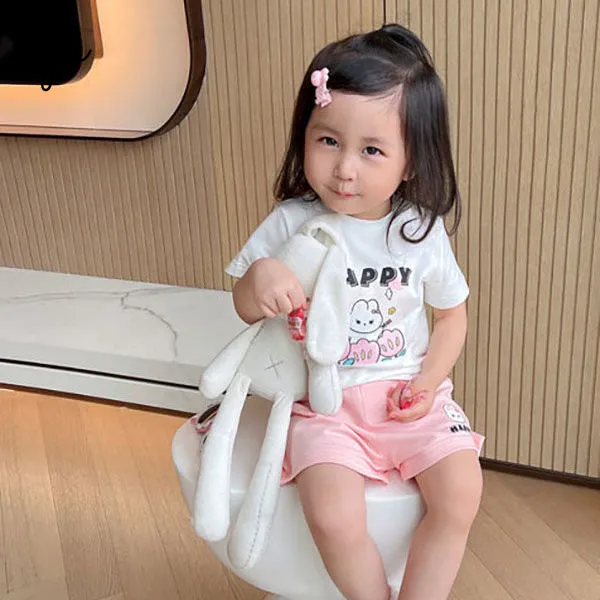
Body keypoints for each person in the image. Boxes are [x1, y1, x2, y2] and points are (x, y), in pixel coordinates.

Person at [225, 23, 484, 600]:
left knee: (461, 494)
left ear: (410, 162)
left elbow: (452, 316)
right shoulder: (293, 222)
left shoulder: (418, 231)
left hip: (409, 397)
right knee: (332, 514)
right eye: (328, 141)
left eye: (371, 150)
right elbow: (244, 307)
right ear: (304, 136)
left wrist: (428, 381)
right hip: (326, 405)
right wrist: (257, 280)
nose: (345, 168)